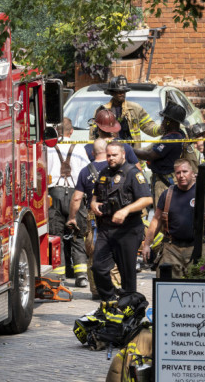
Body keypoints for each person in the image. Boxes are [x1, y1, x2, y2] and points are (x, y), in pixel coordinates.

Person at [90, 141, 153, 301]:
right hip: (106, 229)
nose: (110, 158)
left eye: (114, 155)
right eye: (108, 155)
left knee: (127, 274)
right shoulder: (104, 173)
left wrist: (126, 210)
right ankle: (110, 300)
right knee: (98, 267)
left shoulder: (133, 173)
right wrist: (93, 204)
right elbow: (95, 196)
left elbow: (147, 199)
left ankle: (128, 306)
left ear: (123, 154)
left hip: (128, 230)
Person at [142, 159, 205, 278]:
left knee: (199, 286)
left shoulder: (204, 193)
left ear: (192, 172)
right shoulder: (167, 194)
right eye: (178, 172)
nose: (181, 175)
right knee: (166, 285)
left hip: (197, 248)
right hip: (171, 249)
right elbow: (156, 220)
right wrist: (147, 244)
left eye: (185, 171)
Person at [67, 139, 120, 300]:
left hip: (93, 216)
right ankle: (115, 286)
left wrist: (72, 217)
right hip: (115, 214)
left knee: (93, 252)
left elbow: (77, 198)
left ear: (92, 153)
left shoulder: (85, 171)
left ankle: (96, 289)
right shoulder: (116, 167)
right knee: (114, 250)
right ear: (107, 151)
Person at [47, 117, 91, 287]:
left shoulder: (48, 147)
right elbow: (86, 173)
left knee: (55, 236)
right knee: (78, 235)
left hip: (54, 195)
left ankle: (59, 276)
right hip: (75, 195)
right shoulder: (79, 147)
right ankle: (81, 276)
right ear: (71, 131)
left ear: (56, 131)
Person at [133, 100, 187, 204]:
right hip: (166, 178)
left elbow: (150, 155)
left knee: (162, 212)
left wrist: (129, 149)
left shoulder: (171, 139)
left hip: (163, 182)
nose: (162, 122)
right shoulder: (178, 134)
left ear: (169, 121)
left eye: (164, 119)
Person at [97, 75, 161, 148]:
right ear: (112, 93)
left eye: (124, 91)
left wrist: (160, 129)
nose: (122, 94)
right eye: (119, 91)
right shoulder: (102, 111)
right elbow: (94, 134)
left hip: (131, 152)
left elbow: (148, 126)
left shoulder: (135, 109)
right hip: (111, 152)